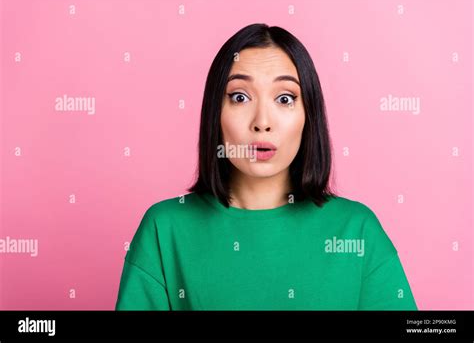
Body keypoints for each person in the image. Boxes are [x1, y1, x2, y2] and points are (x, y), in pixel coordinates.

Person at [115, 23, 417, 310]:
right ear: (214, 114)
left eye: (285, 98)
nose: (262, 122)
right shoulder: (164, 229)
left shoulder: (356, 231)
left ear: (308, 116)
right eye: (240, 97)